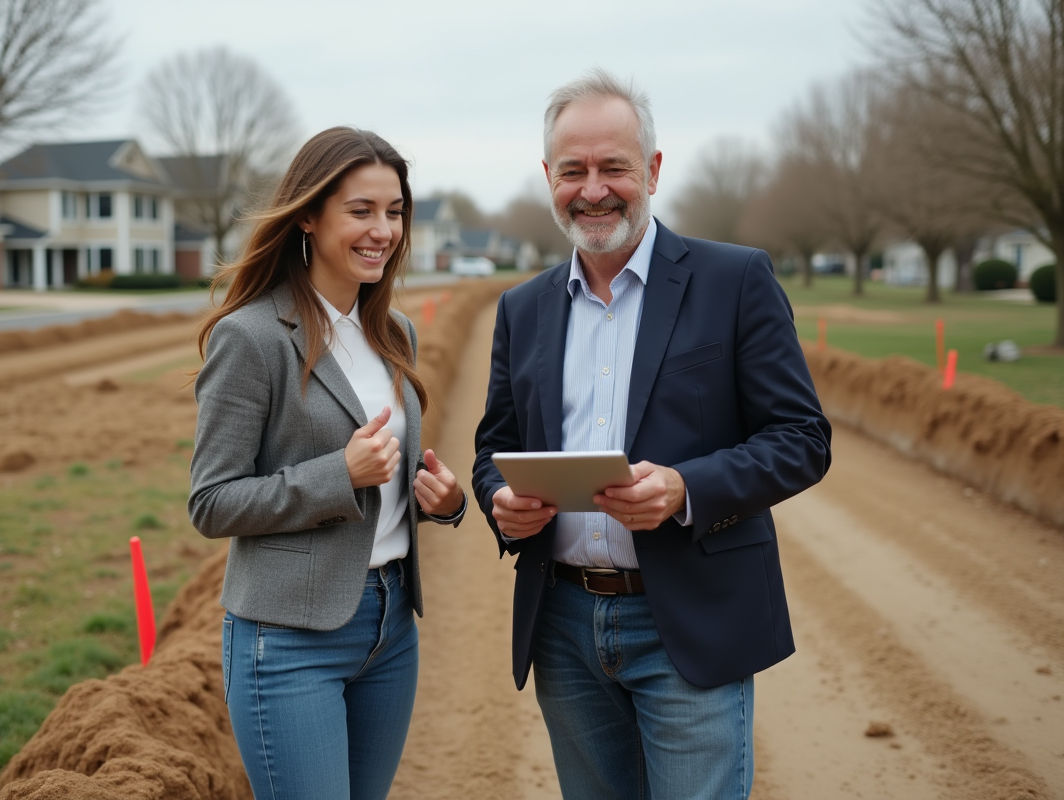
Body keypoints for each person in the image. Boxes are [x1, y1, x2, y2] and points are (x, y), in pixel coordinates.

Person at [472, 70, 832, 799]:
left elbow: (802, 437)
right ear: (550, 177)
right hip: (564, 625)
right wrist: (498, 500)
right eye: (574, 170)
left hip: (688, 618)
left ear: (654, 171)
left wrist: (685, 487)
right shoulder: (523, 309)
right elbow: (493, 447)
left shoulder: (736, 280)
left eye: (615, 168)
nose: (594, 188)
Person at [189, 126, 467, 800]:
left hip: (390, 626)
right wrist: (336, 475)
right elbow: (212, 502)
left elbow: (388, 481)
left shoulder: (393, 331)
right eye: (361, 210)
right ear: (309, 216)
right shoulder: (250, 337)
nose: (383, 230)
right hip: (287, 642)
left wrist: (444, 501)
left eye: (395, 212)